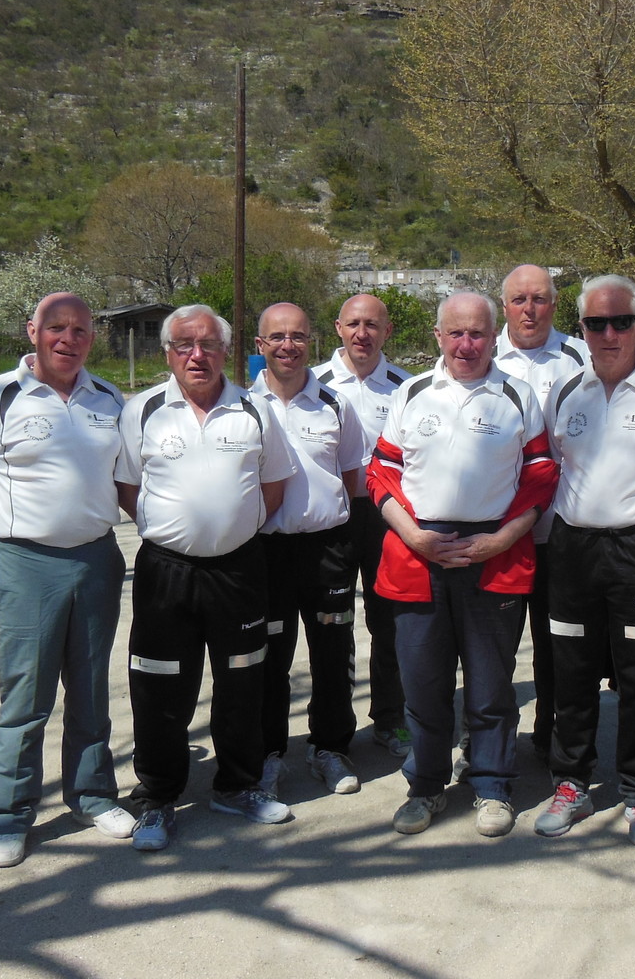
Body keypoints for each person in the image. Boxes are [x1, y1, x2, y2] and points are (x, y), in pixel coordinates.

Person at [0, 292, 135, 868]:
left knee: (90, 686)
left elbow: (127, 486)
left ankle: (92, 795)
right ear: (33, 331)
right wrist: (8, 540)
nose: (68, 339)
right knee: (26, 697)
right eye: (56, 327)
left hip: (97, 560)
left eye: (79, 330)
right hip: (26, 564)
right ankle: (7, 815)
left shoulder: (109, 399)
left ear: (91, 338)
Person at [366, 292, 559, 838]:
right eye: (456, 334)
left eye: (477, 334)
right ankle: (425, 786)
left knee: (491, 684)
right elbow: (380, 473)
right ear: (438, 337)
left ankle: (493, 784)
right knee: (423, 684)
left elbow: (541, 475)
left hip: (492, 555)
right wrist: (415, 536)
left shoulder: (517, 396)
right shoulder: (412, 393)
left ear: (493, 337)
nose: (466, 345)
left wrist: (502, 538)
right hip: (418, 549)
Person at [116, 304, 298, 850]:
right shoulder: (142, 409)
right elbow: (128, 488)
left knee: (244, 679)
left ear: (225, 349)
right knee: (159, 684)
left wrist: (228, 529)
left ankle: (237, 785)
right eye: (184, 345)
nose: (198, 355)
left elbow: (273, 488)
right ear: (167, 353)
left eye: (209, 344)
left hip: (239, 570)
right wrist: (173, 528)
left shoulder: (256, 409)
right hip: (165, 572)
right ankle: (157, 797)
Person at [537, 274, 635, 847]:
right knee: (568, 670)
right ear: (583, 329)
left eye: (622, 321)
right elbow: (554, 462)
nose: (610, 333)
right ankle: (571, 781)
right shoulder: (566, 393)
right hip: (573, 548)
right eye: (597, 323)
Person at [251, 302, 368, 798]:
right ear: (261, 346)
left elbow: (350, 479)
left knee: (332, 651)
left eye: (297, 336)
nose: (287, 346)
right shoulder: (240, 406)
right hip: (266, 552)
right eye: (277, 337)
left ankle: (330, 748)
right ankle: (269, 753)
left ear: (311, 342)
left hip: (327, 549)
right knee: (269, 658)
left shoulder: (336, 404)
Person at [313, 293, 413, 758]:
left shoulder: (408, 387)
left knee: (389, 621)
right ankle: (333, 730)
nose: (362, 333)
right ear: (338, 327)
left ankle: (391, 719)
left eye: (372, 324)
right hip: (332, 518)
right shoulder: (314, 384)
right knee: (333, 625)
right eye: (353, 323)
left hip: (387, 518)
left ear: (387, 330)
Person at [494, 264, 587, 760]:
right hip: (501, 531)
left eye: (539, 299)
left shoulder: (580, 357)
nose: (529, 310)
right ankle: (490, 741)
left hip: (561, 528)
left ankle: (551, 737)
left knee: (557, 646)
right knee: (495, 647)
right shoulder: (485, 355)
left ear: (555, 303)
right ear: (503, 306)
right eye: (518, 300)